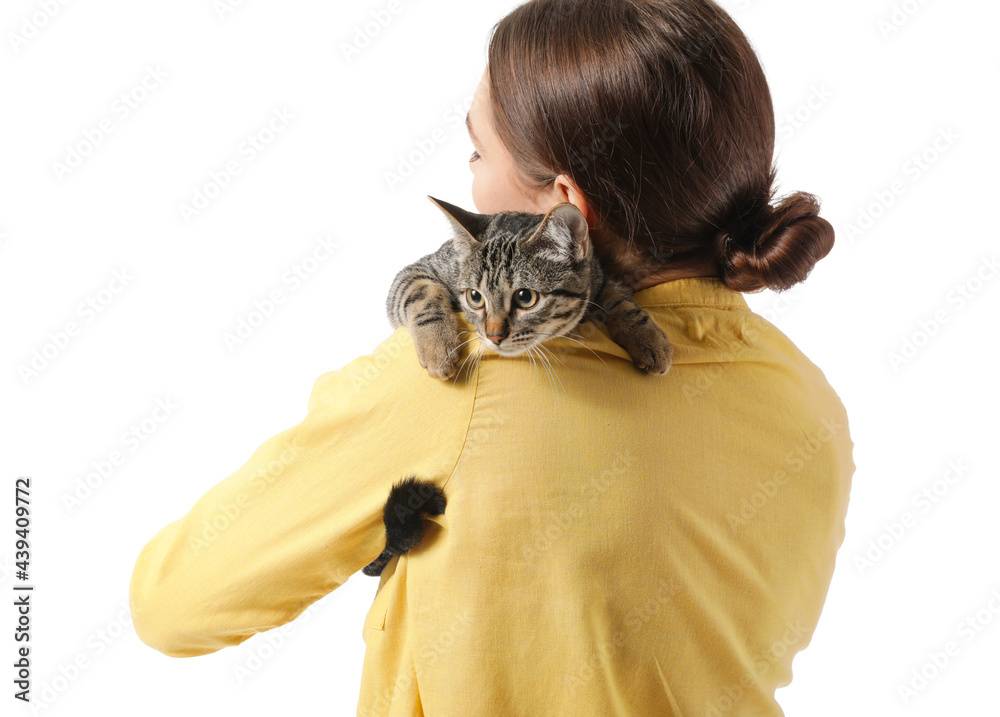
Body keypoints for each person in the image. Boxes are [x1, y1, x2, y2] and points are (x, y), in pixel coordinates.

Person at [129, 0, 855, 714]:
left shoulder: (463, 380)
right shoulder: (809, 401)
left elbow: (170, 603)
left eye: (477, 152)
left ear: (563, 206)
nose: (470, 176)